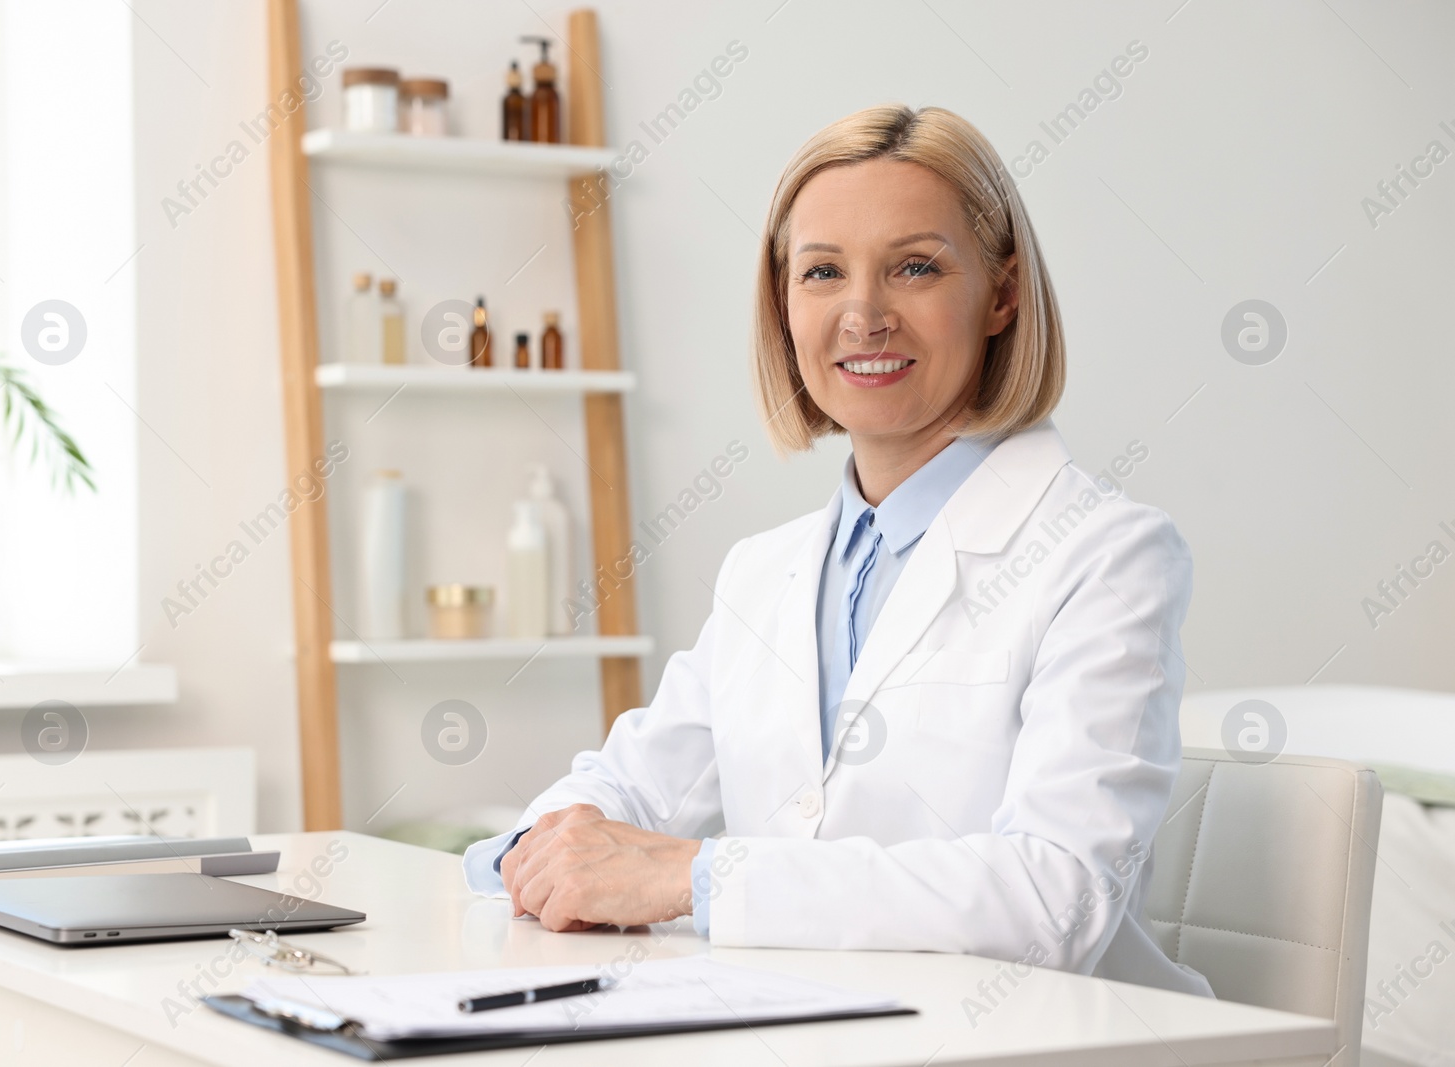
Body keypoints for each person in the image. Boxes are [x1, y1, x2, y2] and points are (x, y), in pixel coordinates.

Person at [463, 104, 1212, 997]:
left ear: (1003, 294)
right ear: (784, 307)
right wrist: (539, 849)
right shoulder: (763, 571)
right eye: (822, 272)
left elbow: (1055, 898)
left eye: (915, 267)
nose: (864, 314)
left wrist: (695, 876)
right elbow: (630, 787)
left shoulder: (1106, 554)